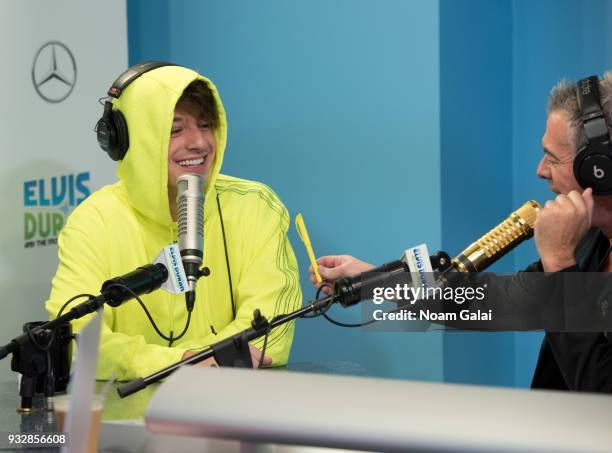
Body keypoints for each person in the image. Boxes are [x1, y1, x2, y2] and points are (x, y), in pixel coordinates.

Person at [309, 73, 612, 393]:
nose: (540, 170)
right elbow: (495, 302)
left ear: (600, 168)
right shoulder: (591, 245)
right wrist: (375, 281)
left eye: (553, 158)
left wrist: (559, 262)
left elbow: (599, 389)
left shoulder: (566, 253)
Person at [46, 63, 302, 380]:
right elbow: (77, 338)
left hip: (232, 411)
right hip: (125, 420)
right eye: (175, 130)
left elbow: (269, 334)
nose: (198, 142)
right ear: (128, 140)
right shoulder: (94, 219)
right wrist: (184, 361)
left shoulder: (254, 206)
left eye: (206, 125)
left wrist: (178, 363)